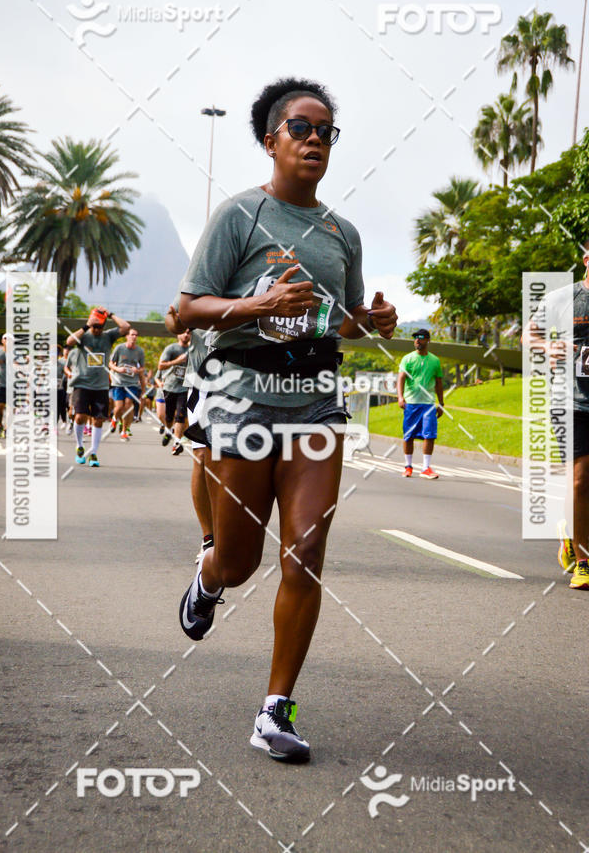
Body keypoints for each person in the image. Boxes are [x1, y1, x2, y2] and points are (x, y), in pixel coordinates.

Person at [176, 77, 397, 762]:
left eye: (326, 131)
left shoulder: (341, 234)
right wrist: (257, 307)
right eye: (301, 128)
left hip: (315, 401)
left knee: (306, 550)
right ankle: (209, 577)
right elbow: (187, 308)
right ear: (271, 140)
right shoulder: (239, 216)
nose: (315, 140)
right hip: (243, 398)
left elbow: (342, 320)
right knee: (240, 562)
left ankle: (276, 710)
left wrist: (370, 321)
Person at [525, 241, 589, 590]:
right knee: (580, 480)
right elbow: (529, 336)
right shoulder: (563, 298)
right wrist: (548, 346)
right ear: (586, 259)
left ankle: (572, 533)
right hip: (572, 401)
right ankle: (584, 561)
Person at [165, 303, 214, 562]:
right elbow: (174, 322)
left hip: (250, 379)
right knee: (203, 457)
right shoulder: (204, 283)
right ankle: (209, 538)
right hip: (204, 382)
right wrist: (176, 320)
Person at [66, 307, 130, 466]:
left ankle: (93, 453)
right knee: (80, 416)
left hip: (101, 385)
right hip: (82, 383)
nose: (97, 330)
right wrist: (87, 325)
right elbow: (69, 342)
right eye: (94, 327)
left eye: (100, 327)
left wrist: (111, 314)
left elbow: (126, 327)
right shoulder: (84, 335)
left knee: (99, 419)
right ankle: (79, 445)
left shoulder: (108, 336)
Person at [397, 329, 444, 479]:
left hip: (428, 404)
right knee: (408, 435)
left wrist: (441, 403)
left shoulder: (435, 360)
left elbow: (438, 383)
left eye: (421, 337)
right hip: (411, 403)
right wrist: (400, 397)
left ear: (428, 340)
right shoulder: (408, 358)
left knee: (429, 435)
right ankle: (408, 466)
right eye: (415, 337)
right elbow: (401, 378)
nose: (417, 340)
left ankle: (425, 468)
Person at [109, 327, 145, 441]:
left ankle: (124, 431)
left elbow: (142, 368)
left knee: (128, 406)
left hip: (132, 382)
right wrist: (118, 369)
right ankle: (114, 419)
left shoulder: (140, 351)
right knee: (119, 407)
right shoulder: (119, 348)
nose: (134, 337)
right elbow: (110, 363)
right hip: (119, 382)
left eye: (136, 335)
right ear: (127, 336)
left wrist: (137, 370)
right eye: (132, 335)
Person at [158, 331, 191, 455]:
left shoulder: (193, 350)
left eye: (188, 333)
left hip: (185, 388)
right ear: (178, 335)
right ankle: (168, 431)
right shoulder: (171, 349)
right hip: (170, 387)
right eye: (183, 333)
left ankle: (176, 443)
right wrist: (177, 361)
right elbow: (160, 366)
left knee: (180, 416)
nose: (186, 335)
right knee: (169, 417)